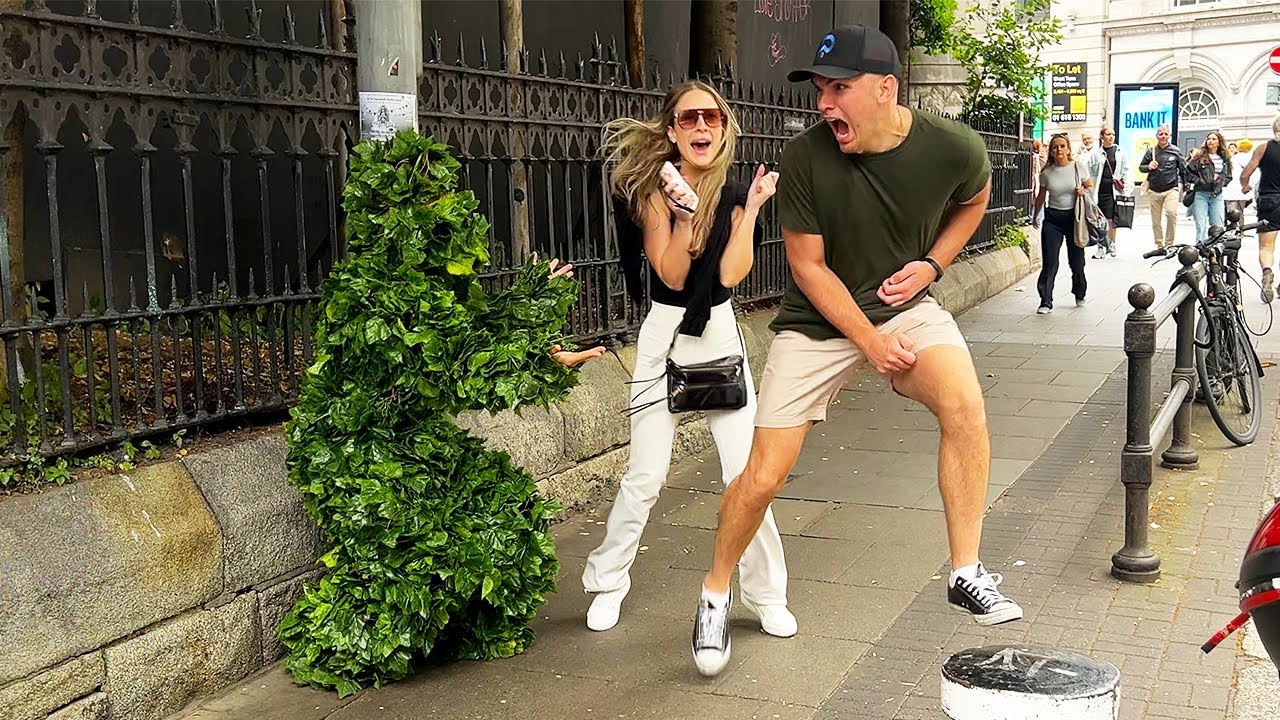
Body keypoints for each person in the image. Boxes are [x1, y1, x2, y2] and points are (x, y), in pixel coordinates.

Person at [689, 25, 1023, 678]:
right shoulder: (806, 157)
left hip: (903, 307)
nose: (824, 103)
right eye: (820, 89)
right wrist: (869, 342)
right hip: (817, 322)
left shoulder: (953, 147)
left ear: (886, 89)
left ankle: (966, 571)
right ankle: (715, 592)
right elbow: (808, 268)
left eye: (839, 88)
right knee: (764, 476)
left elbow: (976, 199)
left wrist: (933, 264)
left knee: (965, 406)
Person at [581, 80, 794, 638]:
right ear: (672, 132)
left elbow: (731, 274)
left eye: (712, 117)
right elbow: (672, 276)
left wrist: (751, 210)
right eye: (689, 118)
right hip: (665, 333)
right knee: (645, 475)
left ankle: (766, 595)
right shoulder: (654, 192)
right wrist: (680, 218)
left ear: (723, 129)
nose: (701, 126)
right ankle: (609, 581)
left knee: (746, 476)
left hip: (718, 331)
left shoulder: (734, 193)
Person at [1032, 134, 1091, 313]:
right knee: (1050, 261)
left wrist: (1083, 191)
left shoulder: (1077, 167)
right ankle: (1045, 301)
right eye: (1055, 147)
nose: (1059, 150)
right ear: (1050, 151)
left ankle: (1079, 293)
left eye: (1062, 146)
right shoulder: (1046, 173)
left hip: (1074, 218)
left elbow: (1090, 187)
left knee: (1077, 261)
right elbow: (1041, 196)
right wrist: (1036, 215)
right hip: (1053, 219)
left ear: (1068, 149)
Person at [1241, 116, 1280, 303]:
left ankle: (1267, 272)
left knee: (1266, 247)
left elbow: (1245, 174)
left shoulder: (1264, 148)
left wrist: (1245, 186)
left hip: (1269, 200)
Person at [1085, 127, 1128, 258]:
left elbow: (1125, 170)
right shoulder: (1096, 154)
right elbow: (1089, 171)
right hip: (1099, 190)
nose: (1111, 136)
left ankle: (1111, 243)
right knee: (1099, 219)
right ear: (1102, 137)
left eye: (1113, 134)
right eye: (1108, 134)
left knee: (1111, 219)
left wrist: (1126, 188)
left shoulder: (1120, 152)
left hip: (1113, 190)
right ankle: (1100, 246)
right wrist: (1089, 189)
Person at [1139, 126, 1186, 249]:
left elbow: (1183, 169)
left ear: (1169, 136)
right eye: (1161, 134)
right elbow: (1141, 167)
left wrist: (1185, 186)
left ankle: (1169, 244)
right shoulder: (1151, 151)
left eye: (1165, 134)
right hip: (1154, 189)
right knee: (1156, 220)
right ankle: (1159, 244)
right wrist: (1149, 166)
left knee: (1171, 213)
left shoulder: (1176, 151)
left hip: (1171, 188)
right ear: (1157, 136)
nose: (1163, 136)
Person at [1185, 132, 1230, 244]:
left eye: (1214, 139)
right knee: (1201, 225)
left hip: (1217, 194)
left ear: (1219, 142)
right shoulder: (1199, 157)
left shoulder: (1224, 159)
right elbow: (1188, 173)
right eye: (1208, 138)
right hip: (1201, 193)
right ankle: (1201, 247)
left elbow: (1228, 176)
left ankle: (1216, 248)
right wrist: (1200, 181)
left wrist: (1221, 182)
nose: (1210, 141)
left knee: (1218, 224)